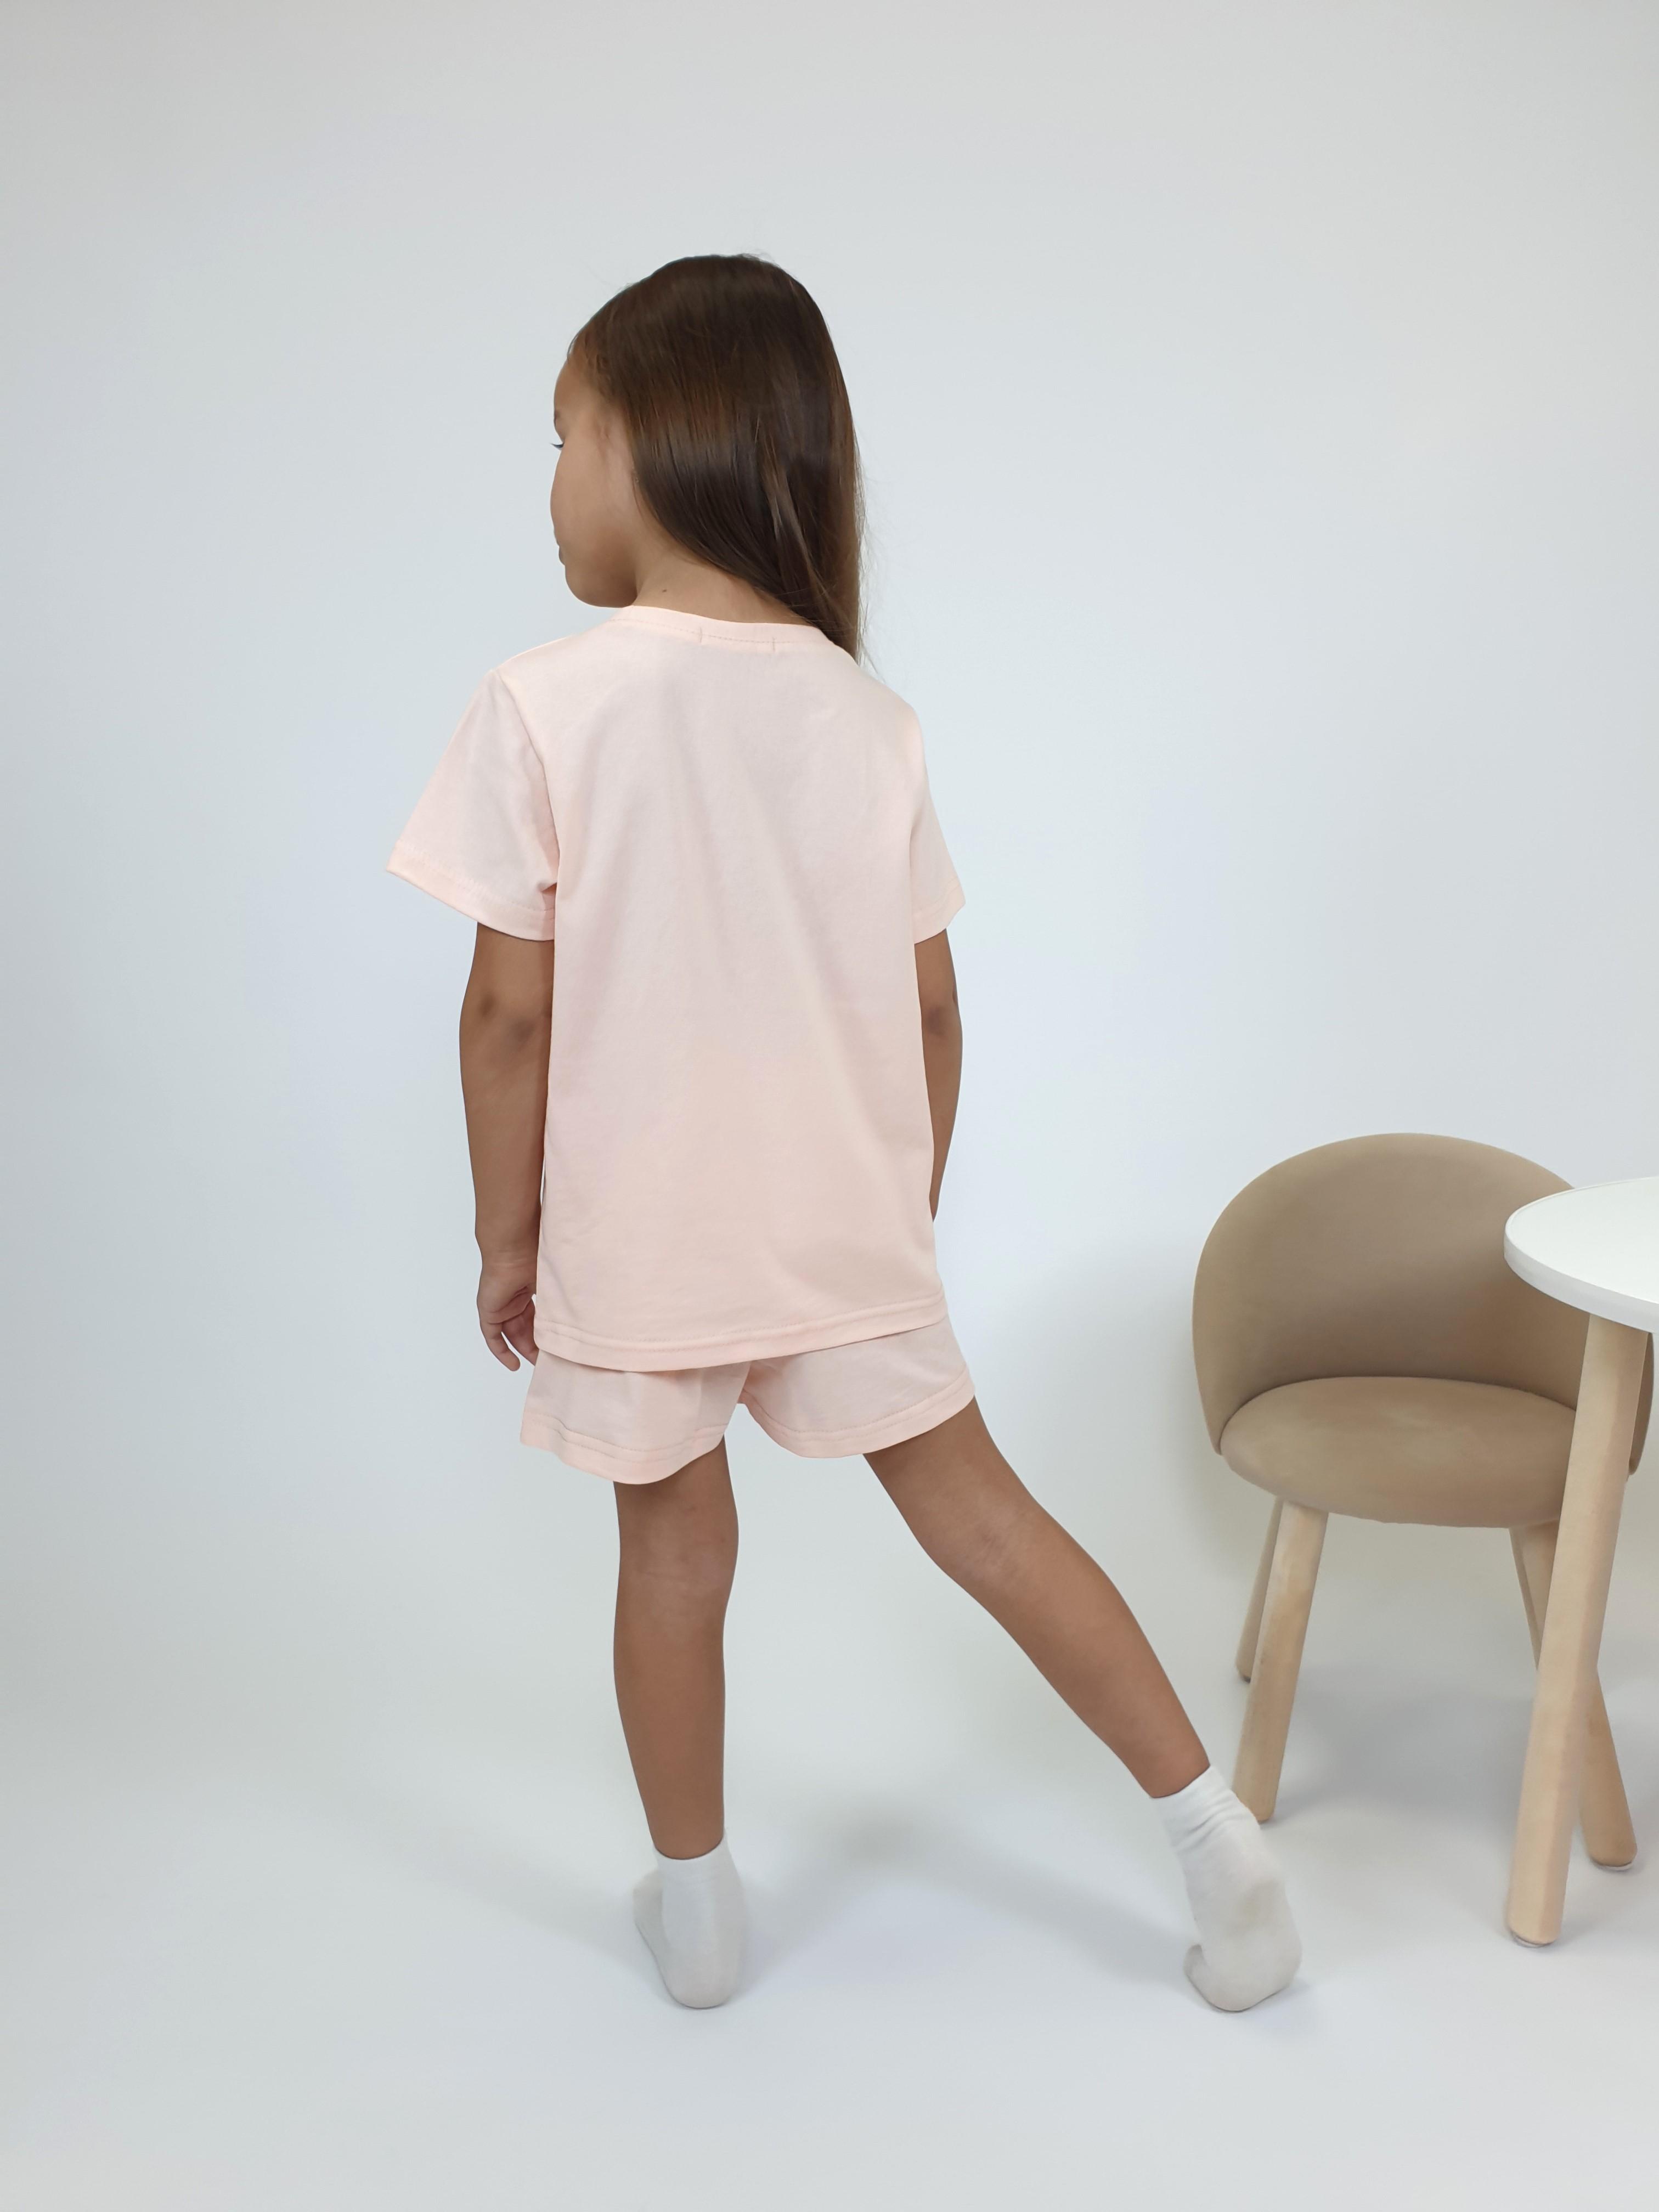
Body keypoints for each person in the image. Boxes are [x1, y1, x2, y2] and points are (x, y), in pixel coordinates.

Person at [387, 254, 1300, 2015]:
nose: (551, 481)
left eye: (562, 436)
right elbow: (934, 1012)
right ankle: (1214, 1837)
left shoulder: (546, 702)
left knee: (674, 1556)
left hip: (643, 1235)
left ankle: (700, 1913)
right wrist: (901, 1210)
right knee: (990, 1524)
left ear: (656, 438)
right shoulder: (869, 719)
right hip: (847, 1229)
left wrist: (507, 1236)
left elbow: (506, 1015)